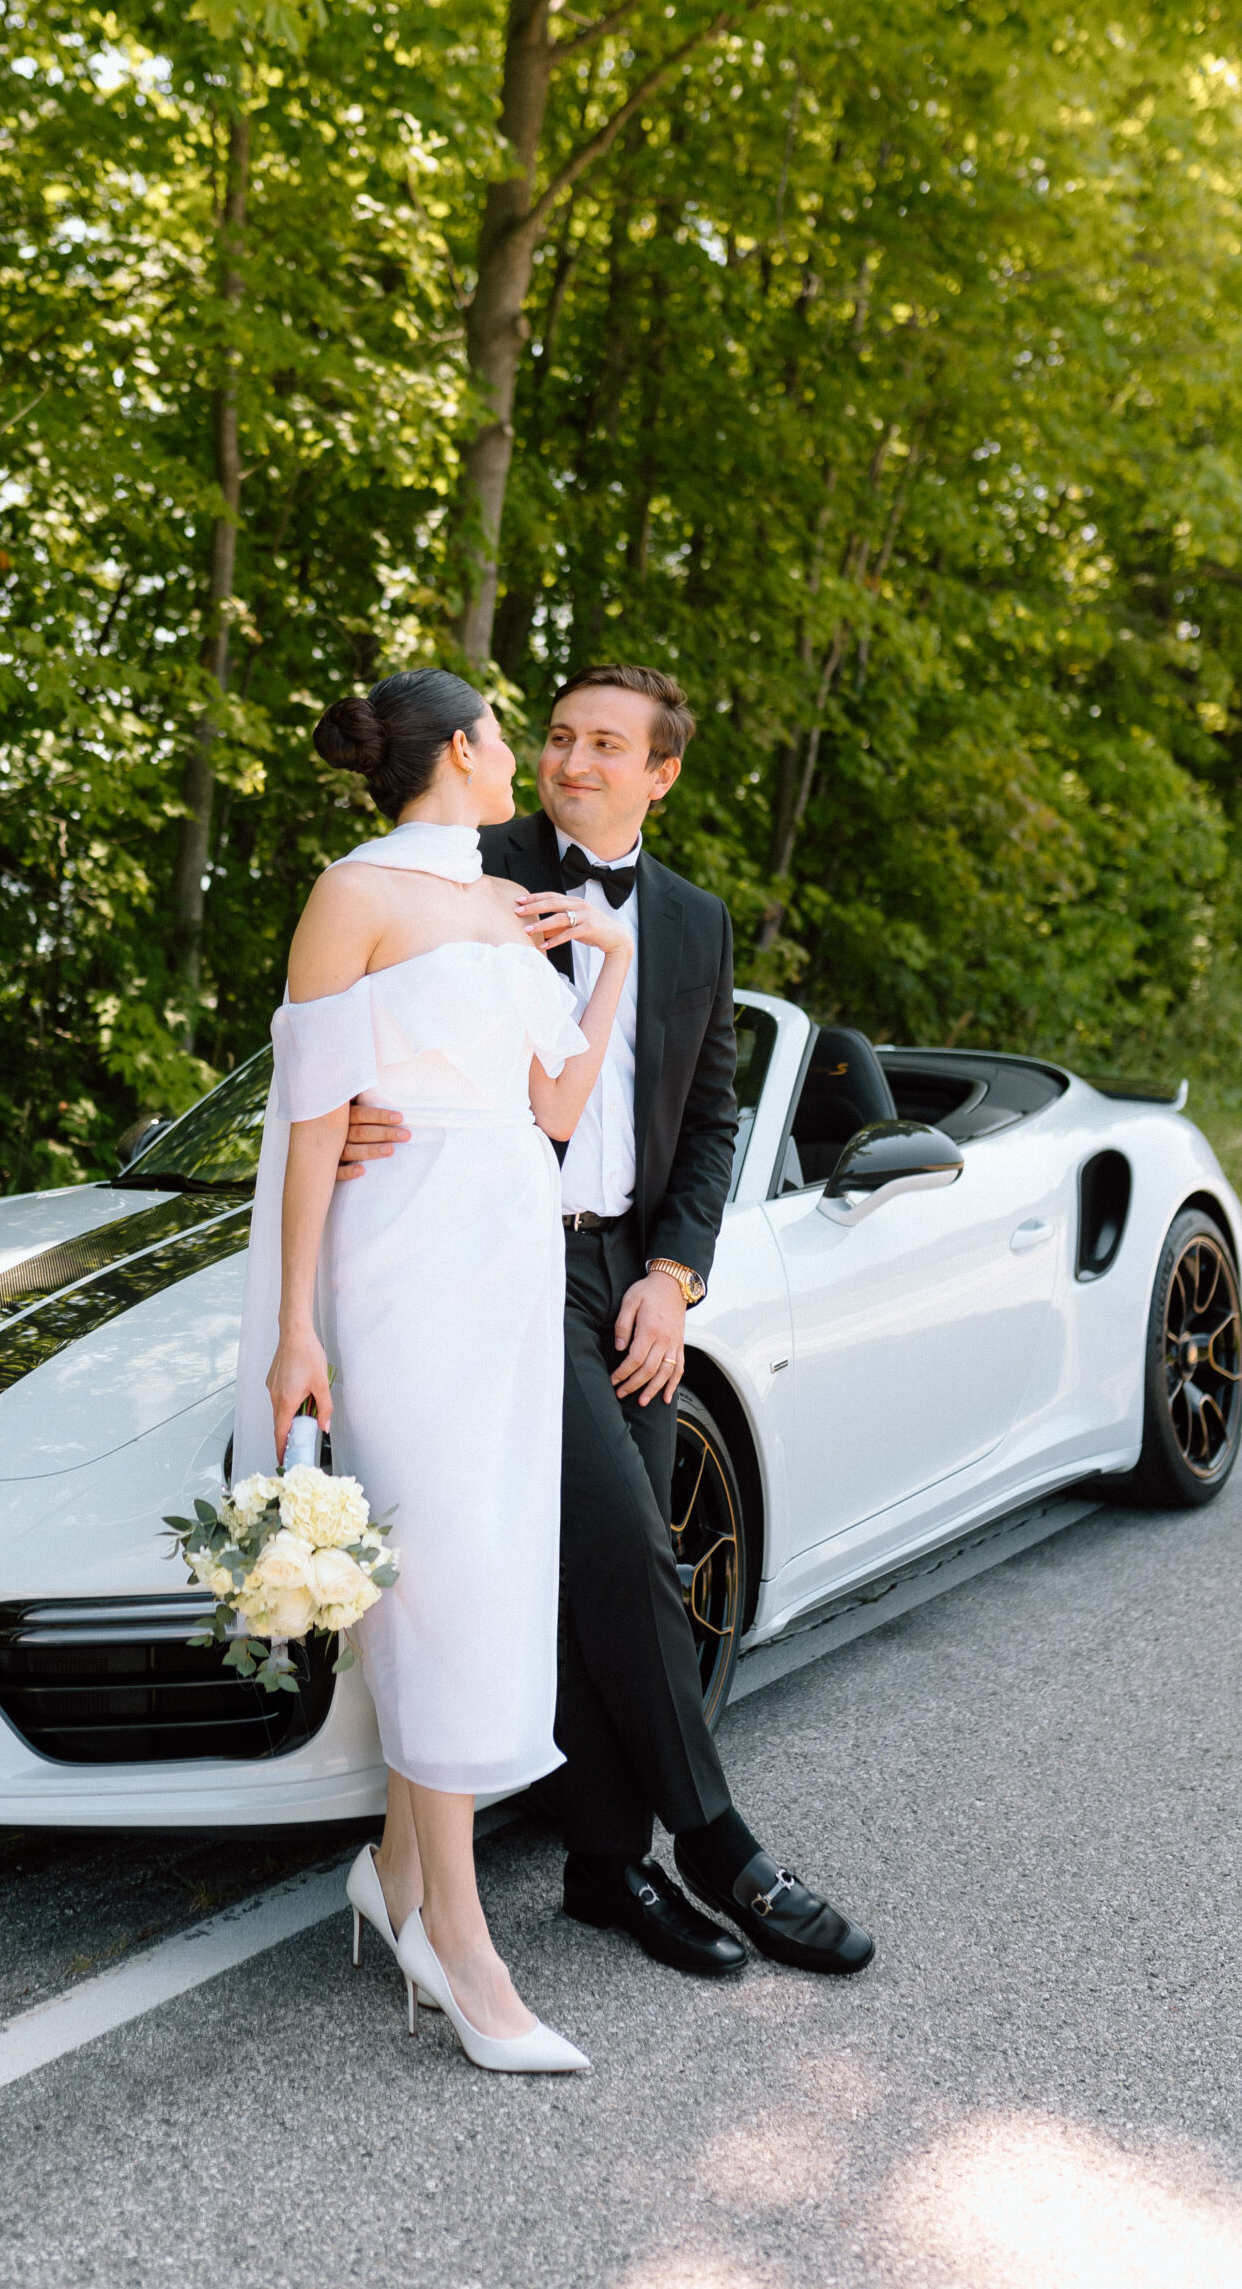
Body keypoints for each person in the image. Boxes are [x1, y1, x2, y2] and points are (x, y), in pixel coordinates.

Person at [341, 664, 874, 1979]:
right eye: (561, 738)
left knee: (596, 1574)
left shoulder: (693, 923)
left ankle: (602, 1866)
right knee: (633, 1547)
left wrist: (676, 1277)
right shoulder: (463, 864)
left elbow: (708, 1121)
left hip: (622, 1268)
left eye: (604, 746)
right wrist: (344, 1115)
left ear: (662, 774)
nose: (573, 762)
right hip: (493, 1265)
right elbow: (352, 1021)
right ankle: (722, 1844)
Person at [232, 667, 633, 2073]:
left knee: (490, 1562)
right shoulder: (357, 892)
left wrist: (610, 959)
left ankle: (395, 1883)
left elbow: (558, 1115)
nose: (523, 756)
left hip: (507, 1255)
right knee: (444, 1576)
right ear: (461, 750)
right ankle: (465, 1950)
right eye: (510, 736)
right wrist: (296, 1326)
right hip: (396, 1260)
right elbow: (308, 1115)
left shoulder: (499, 903)